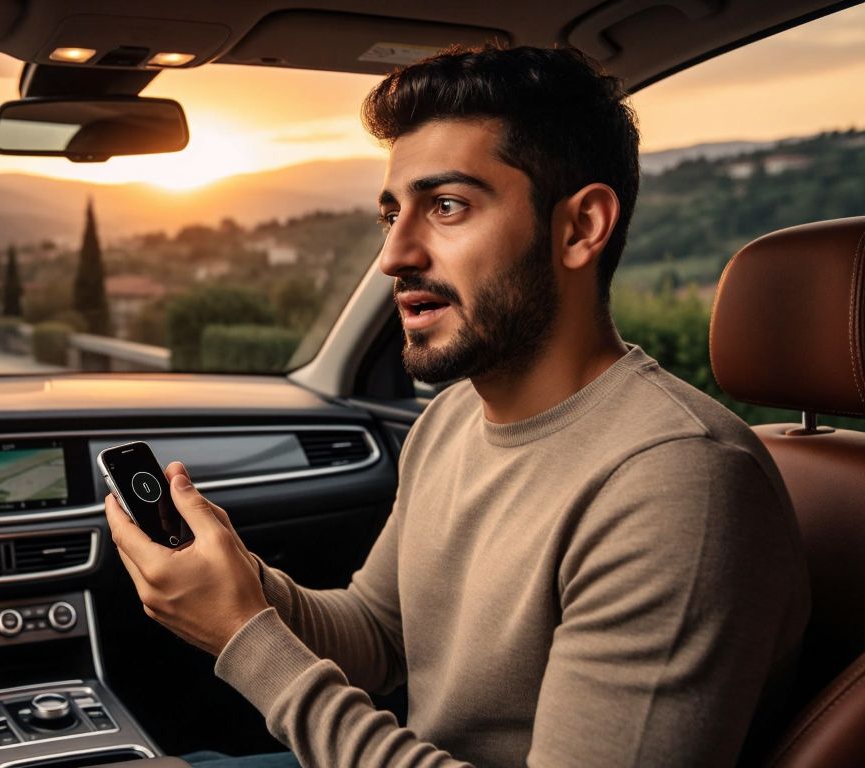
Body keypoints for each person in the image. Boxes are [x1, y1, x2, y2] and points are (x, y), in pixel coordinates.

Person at [105, 45, 810, 767]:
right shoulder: (450, 418)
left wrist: (243, 634)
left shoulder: (678, 483)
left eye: (446, 206)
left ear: (580, 227)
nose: (394, 254)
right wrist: (240, 583)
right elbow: (379, 635)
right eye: (392, 213)